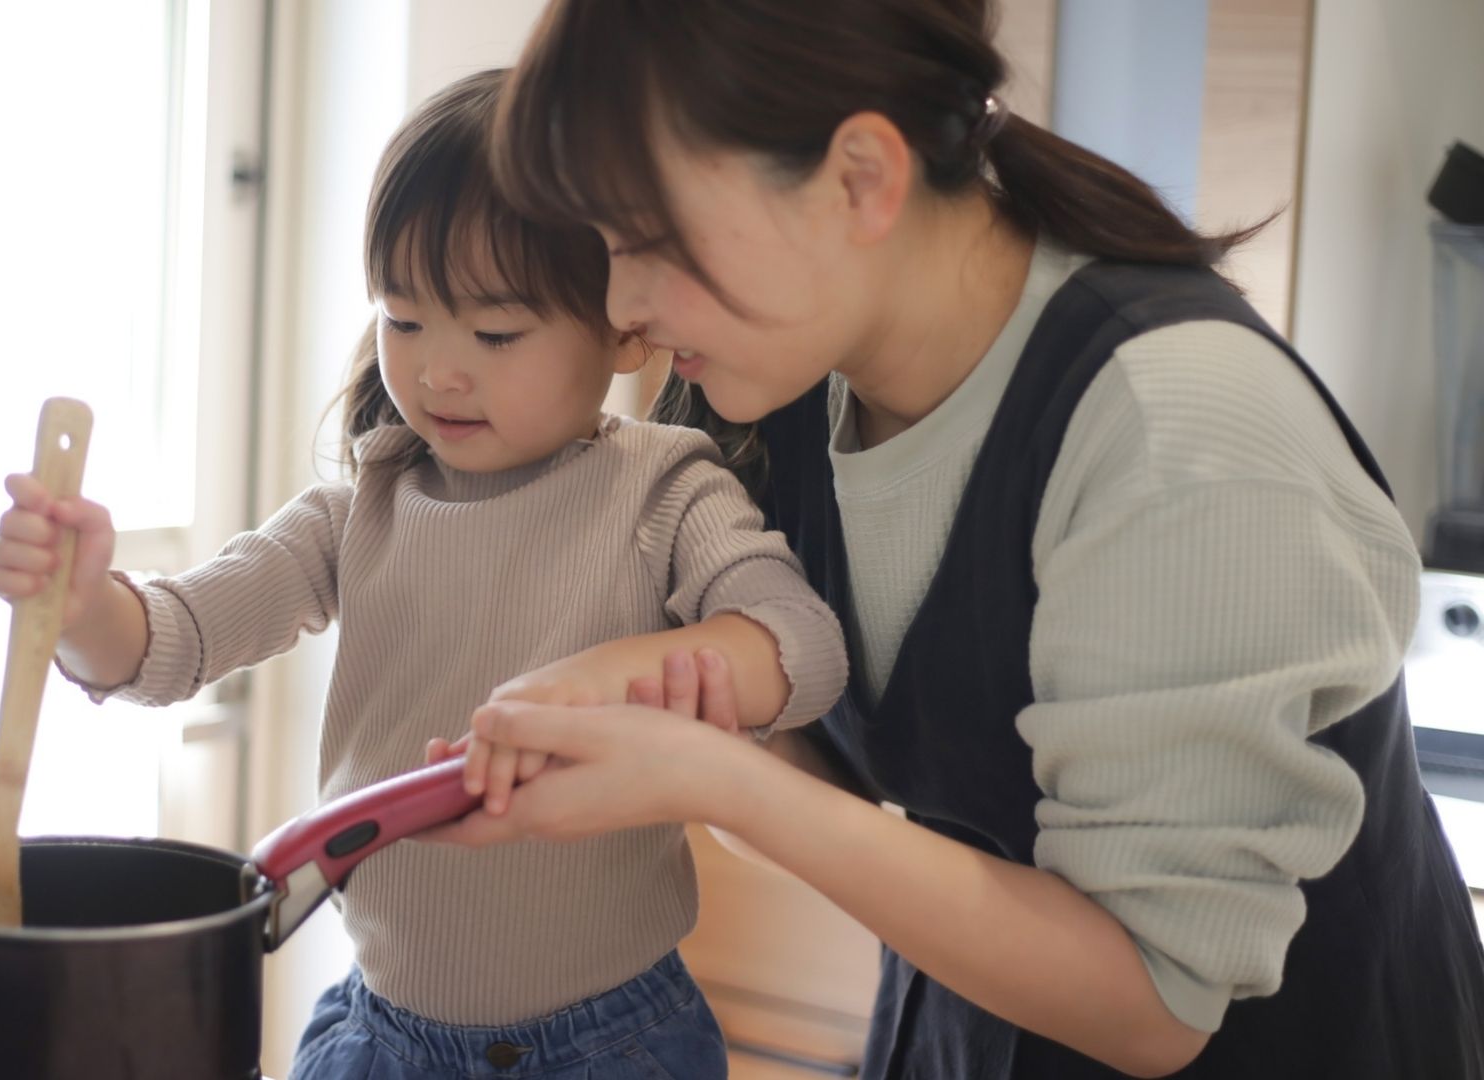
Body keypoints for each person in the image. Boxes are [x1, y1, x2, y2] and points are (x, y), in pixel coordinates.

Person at [429, 2, 1484, 1077]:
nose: (621, 307)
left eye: (647, 242)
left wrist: (716, 779)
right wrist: (698, 722)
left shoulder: (1175, 430)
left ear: (861, 180)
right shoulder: (771, 373)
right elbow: (839, 788)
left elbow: (1155, 1000)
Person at [0, 69, 847, 1079]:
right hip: (378, 1035)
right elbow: (170, 644)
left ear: (623, 323)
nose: (439, 371)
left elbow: (804, 646)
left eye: (494, 334)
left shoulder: (664, 489)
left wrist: (639, 675)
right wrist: (82, 603)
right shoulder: (368, 505)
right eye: (403, 320)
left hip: (614, 1044)